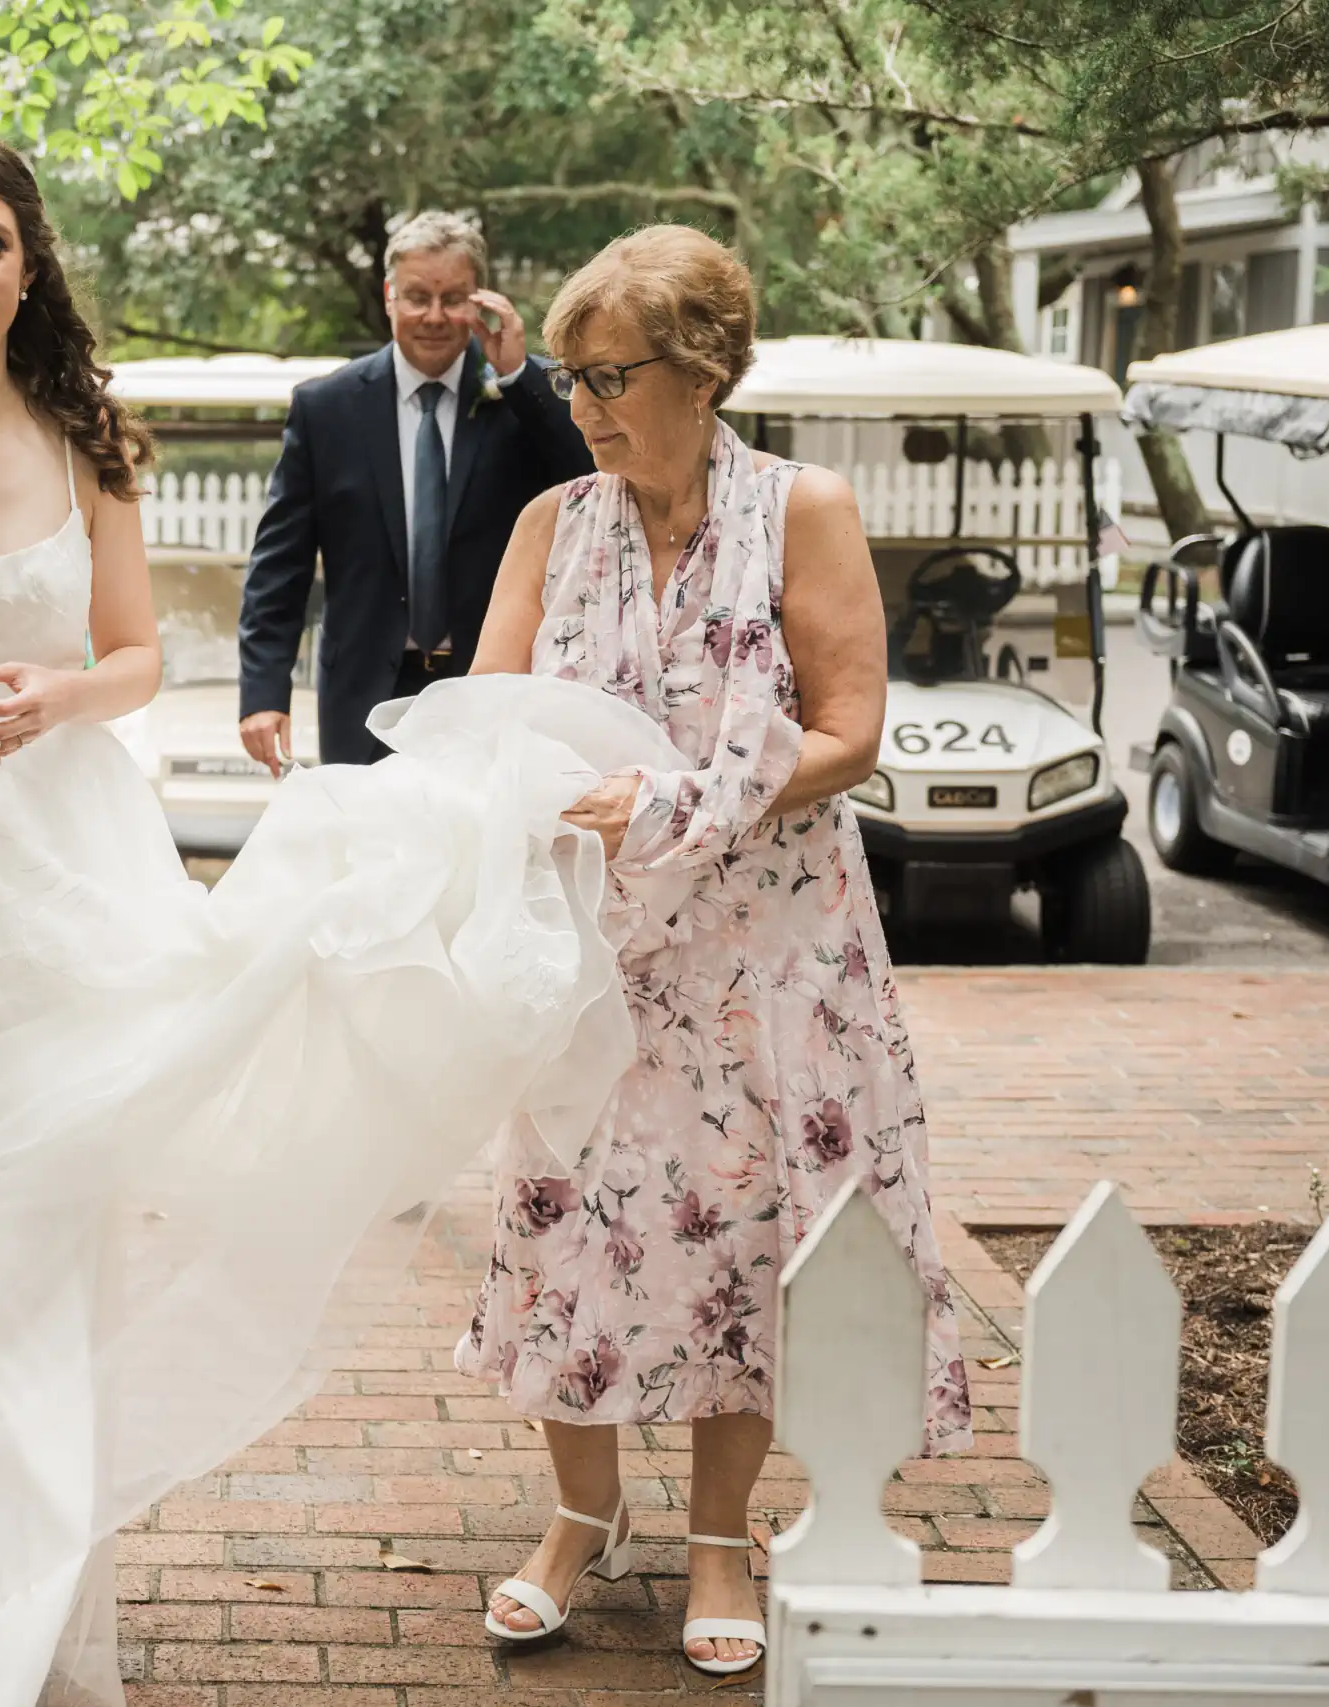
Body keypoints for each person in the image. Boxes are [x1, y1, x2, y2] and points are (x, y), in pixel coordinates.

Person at [0, 131, 657, 1707]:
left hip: (60, 885)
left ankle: (15, 1621)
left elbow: (136, 659)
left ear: (29, 265)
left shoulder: (82, 433)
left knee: (36, 1249)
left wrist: (50, 699)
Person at [453, 226, 971, 1676]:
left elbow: (849, 733)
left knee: (744, 1228)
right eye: (570, 378)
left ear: (704, 370)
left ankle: (721, 1536)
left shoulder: (804, 508)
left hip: (767, 947)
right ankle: (580, 1515)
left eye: (609, 376)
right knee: (568, 1212)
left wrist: (681, 804)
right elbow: (491, 710)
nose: (582, 405)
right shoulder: (552, 523)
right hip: (596, 943)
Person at [237, 212, 593, 771]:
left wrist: (517, 376)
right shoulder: (325, 409)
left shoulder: (526, 396)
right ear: (389, 297)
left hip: (492, 688)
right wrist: (263, 692)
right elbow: (280, 565)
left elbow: (592, 482)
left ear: (480, 302)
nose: (434, 316)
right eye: (417, 297)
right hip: (363, 694)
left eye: (453, 298)